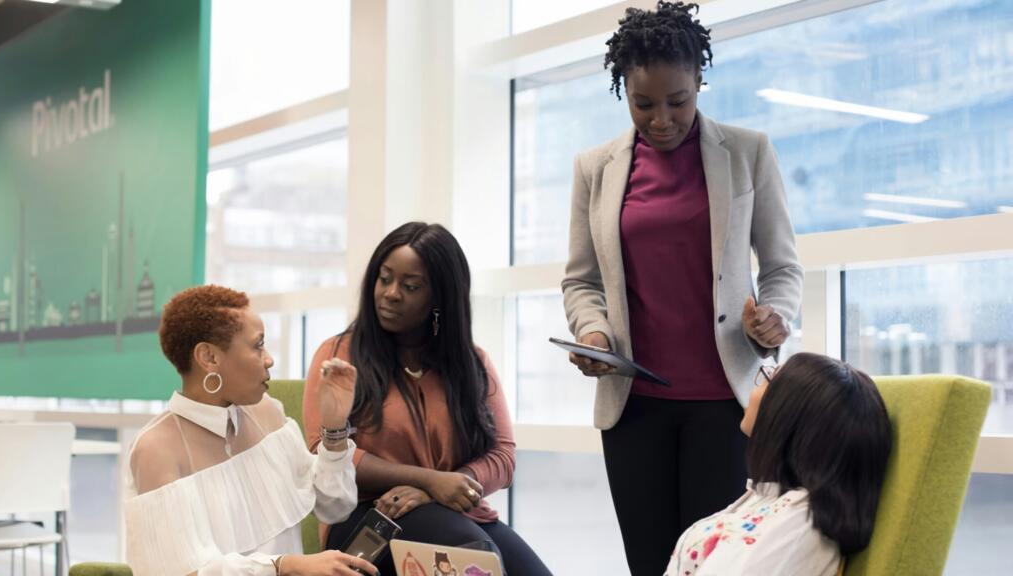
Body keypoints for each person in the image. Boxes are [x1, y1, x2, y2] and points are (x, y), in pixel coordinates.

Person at [561, 2, 804, 573]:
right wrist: (591, 329)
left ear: (699, 81)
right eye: (644, 104)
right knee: (650, 564)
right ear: (623, 89)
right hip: (633, 407)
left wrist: (775, 315)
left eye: (678, 101)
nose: (662, 118)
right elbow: (581, 279)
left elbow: (783, 267)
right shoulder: (594, 168)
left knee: (718, 566)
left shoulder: (747, 153)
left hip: (725, 406)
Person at [304, 222, 551, 576]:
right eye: (384, 278)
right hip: (370, 517)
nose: (390, 293)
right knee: (472, 558)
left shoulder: (472, 362)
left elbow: (503, 456)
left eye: (410, 286)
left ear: (440, 298)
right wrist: (431, 481)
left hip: (453, 511)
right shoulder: (340, 355)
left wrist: (441, 490)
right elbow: (323, 448)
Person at [125, 285, 378, 576]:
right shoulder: (155, 448)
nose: (269, 358)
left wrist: (334, 428)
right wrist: (285, 566)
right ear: (209, 357)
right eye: (258, 345)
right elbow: (181, 572)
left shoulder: (268, 413)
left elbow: (335, 508)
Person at [665, 353, 892, 575]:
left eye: (767, 378)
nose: (754, 389)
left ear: (788, 413)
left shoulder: (799, 525)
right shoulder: (774, 498)